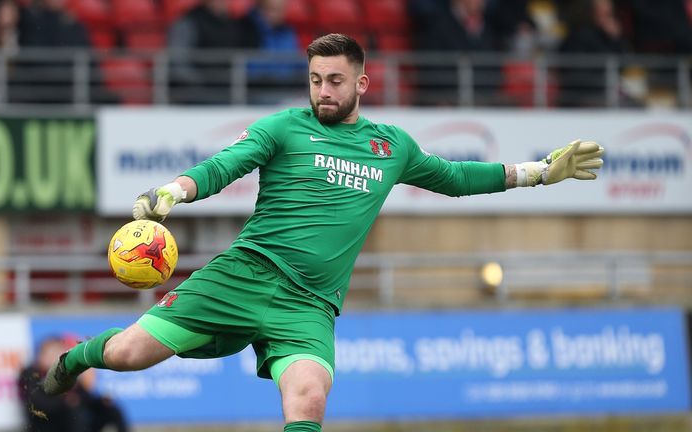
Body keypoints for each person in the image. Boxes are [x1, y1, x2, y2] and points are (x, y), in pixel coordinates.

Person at [43, 34, 605, 432]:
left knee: (309, 398)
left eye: (335, 80)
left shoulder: (392, 147)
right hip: (243, 275)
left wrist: (536, 173)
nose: (323, 92)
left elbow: (456, 178)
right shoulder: (285, 128)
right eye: (315, 80)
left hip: (308, 304)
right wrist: (174, 191)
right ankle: (77, 359)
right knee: (128, 354)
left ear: (362, 81)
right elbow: (225, 165)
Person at [20, 335, 130, 432]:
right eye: (51, 353)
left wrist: (101, 401)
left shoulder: (64, 371)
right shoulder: (30, 373)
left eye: (57, 352)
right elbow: (36, 402)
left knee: (111, 409)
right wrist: (66, 401)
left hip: (73, 417)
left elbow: (84, 396)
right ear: (41, 355)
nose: (54, 356)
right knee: (75, 412)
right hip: (46, 422)